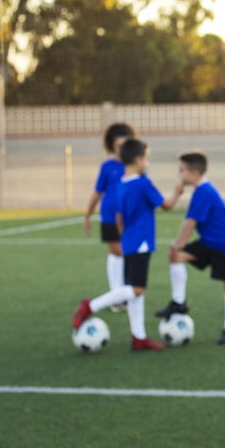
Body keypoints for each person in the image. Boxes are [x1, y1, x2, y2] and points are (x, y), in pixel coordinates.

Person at [73, 138, 183, 351]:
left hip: (130, 241)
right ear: (138, 159)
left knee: (135, 291)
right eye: (146, 158)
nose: (147, 163)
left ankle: (138, 337)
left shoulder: (121, 184)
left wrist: (125, 237)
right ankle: (89, 306)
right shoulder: (142, 183)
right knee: (137, 290)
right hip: (141, 242)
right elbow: (167, 206)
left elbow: (118, 217)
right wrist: (177, 193)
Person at [155, 151, 225, 345]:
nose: (179, 175)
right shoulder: (200, 190)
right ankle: (179, 302)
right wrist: (177, 247)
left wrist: (178, 243)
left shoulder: (204, 191)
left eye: (182, 171)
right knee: (176, 257)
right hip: (210, 242)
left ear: (194, 172)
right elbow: (189, 222)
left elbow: (190, 223)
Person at [82, 122, 136, 311]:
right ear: (112, 145)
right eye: (118, 145)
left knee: (128, 253)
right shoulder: (107, 167)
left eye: (126, 144)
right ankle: (117, 296)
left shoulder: (134, 166)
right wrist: (87, 215)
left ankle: (123, 293)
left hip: (129, 218)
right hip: (109, 217)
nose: (122, 149)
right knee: (117, 252)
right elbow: (97, 192)